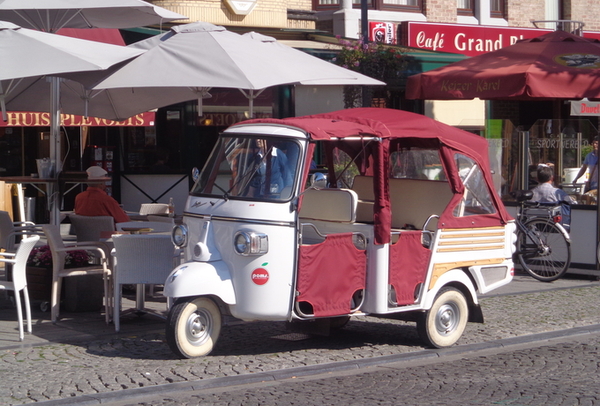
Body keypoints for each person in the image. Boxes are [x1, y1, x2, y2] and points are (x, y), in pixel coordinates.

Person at [531, 165, 575, 231]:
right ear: (552, 178)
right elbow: (574, 204)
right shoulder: (557, 192)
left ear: (537, 179)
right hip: (555, 227)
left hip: (535, 228)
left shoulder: (531, 193)